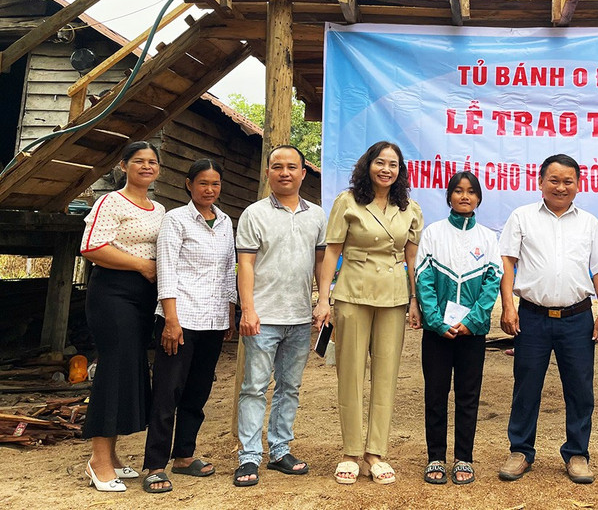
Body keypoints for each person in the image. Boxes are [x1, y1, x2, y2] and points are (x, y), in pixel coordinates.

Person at [497, 153, 598, 485]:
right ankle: (520, 451)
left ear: (578, 184)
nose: (561, 187)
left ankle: (577, 454)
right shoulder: (522, 217)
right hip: (531, 317)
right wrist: (508, 306)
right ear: (540, 182)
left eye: (568, 181)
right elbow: (507, 262)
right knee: (526, 386)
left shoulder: (589, 223)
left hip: (578, 318)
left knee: (580, 388)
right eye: (554, 180)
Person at [314, 141, 423, 486]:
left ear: (400, 170)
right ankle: (349, 452)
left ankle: (376, 452)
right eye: (380, 162)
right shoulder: (346, 202)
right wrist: (323, 298)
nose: (386, 169)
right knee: (350, 370)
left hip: (393, 295)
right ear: (368, 165)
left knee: (387, 373)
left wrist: (415, 302)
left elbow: (412, 259)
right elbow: (331, 253)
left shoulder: (410, 208)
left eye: (393, 164)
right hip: (352, 291)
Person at [233, 145, 327, 487]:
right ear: (268, 172)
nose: (284, 172)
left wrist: (323, 301)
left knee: (291, 386)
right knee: (255, 386)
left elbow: (321, 263)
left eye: (291, 167)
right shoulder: (253, 214)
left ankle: (280, 450)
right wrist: (248, 309)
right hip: (262, 316)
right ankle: (248, 457)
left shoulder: (316, 215)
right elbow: (246, 264)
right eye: (277, 167)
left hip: (300, 317)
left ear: (303, 173)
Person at [141, 159, 236, 494]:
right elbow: (166, 269)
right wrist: (170, 319)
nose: (209, 190)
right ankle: (155, 465)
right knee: (168, 391)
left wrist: (230, 312)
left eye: (215, 184)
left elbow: (229, 269)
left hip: (212, 319)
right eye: (203, 184)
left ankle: (184, 456)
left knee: (197, 392)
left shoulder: (225, 222)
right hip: (180, 318)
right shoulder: (176, 219)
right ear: (188, 184)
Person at [80, 141, 166, 492]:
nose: (146, 166)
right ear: (124, 166)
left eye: (152, 162)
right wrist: (141, 265)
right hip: (112, 292)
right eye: (139, 161)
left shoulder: (158, 208)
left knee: (130, 368)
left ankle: (113, 456)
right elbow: (92, 247)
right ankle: (98, 461)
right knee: (114, 369)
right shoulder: (110, 201)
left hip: (143, 297)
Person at [414, 172, 502, 486]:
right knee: (435, 394)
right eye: (458, 191)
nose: (464, 196)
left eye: (471, 192)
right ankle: (435, 456)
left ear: (479, 198)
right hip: (437, 333)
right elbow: (423, 280)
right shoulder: (434, 233)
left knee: (467, 395)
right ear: (449, 196)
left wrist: (473, 321)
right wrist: (436, 321)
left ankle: (464, 457)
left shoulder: (488, 237)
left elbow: (492, 283)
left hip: (472, 333)